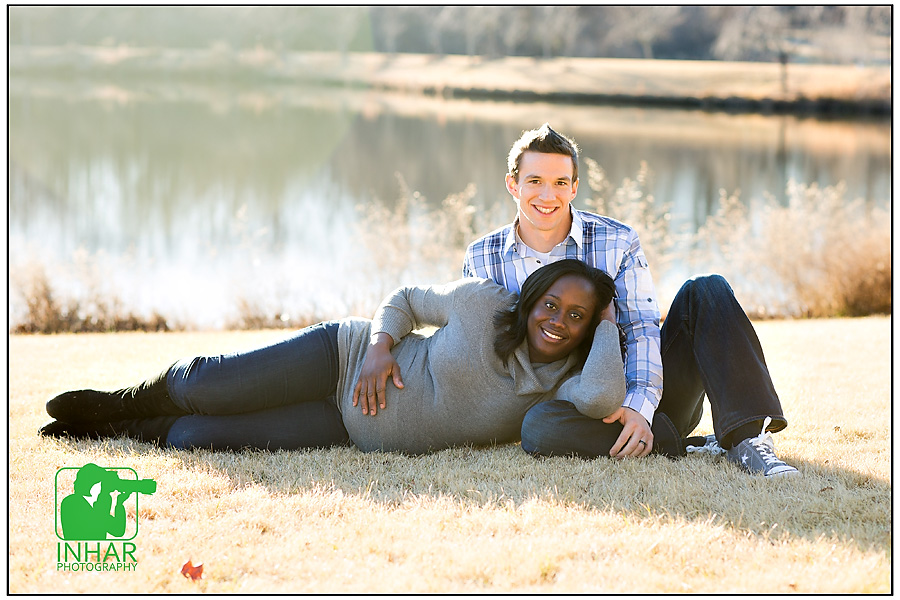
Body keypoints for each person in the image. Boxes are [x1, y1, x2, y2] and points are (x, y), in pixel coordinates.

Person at [463, 123, 798, 477]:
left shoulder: (617, 240)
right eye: (535, 181)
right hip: (571, 410)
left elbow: (641, 326)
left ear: (574, 187)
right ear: (512, 184)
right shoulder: (482, 257)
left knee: (706, 290)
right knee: (538, 428)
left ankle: (748, 440)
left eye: (560, 182)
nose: (548, 195)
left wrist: (639, 407)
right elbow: (479, 348)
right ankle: (676, 442)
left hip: (650, 399)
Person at [41, 260, 645, 456]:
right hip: (341, 358)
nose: (557, 321)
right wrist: (380, 347)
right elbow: (405, 299)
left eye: (577, 316)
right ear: (532, 297)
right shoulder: (484, 303)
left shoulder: (565, 381)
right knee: (207, 389)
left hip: (346, 425)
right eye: (551, 304)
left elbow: (600, 399)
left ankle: (120, 431)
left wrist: (609, 323)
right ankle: (117, 403)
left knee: (194, 437)